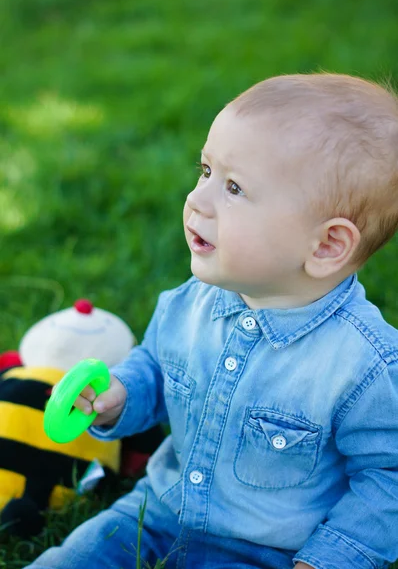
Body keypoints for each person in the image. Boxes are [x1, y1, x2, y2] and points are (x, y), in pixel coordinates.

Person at [28, 73, 398, 569]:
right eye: (205, 171)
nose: (197, 200)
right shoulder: (188, 303)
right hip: (156, 514)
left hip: (268, 552)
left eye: (234, 187)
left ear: (327, 245)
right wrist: (119, 396)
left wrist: (329, 559)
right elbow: (156, 372)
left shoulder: (365, 364)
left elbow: (387, 476)